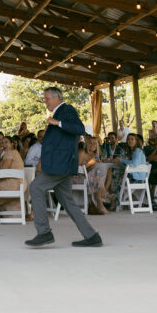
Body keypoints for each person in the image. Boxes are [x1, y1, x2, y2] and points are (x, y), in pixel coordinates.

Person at [26, 87, 102, 248]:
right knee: (67, 201)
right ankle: (92, 236)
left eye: (47, 98)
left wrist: (57, 122)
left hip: (60, 165)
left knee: (36, 188)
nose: (45, 101)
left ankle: (44, 232)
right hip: (61, 164)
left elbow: (80, 129)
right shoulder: (59, 112)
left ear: (56, 97)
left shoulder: (66, 110)